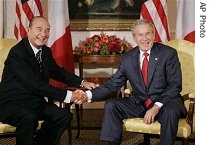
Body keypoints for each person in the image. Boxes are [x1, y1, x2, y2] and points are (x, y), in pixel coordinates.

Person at [80, 19, 187, 145]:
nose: (145, 38)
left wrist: (156, 106)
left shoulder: (168, 53)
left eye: (148, 34)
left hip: (165, 102)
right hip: (141, 102)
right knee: (112, 105)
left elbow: (175, 85)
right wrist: (87, 95)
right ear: (134, 37)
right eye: (140, 35)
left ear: (153, 35)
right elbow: (113, 84)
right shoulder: (127, 58)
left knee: (170, 111)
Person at [0, 16, 96, 145]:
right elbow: (35, 85)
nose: (43, 34)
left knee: (63, 116)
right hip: (10, 104)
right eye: (39, 29)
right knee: (29, 118)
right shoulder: (18, 53)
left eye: (47, 30)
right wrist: (69, 96)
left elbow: (58, 72)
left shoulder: (45, 51)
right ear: (28, 30)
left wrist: (82, 82)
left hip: (33, 102)